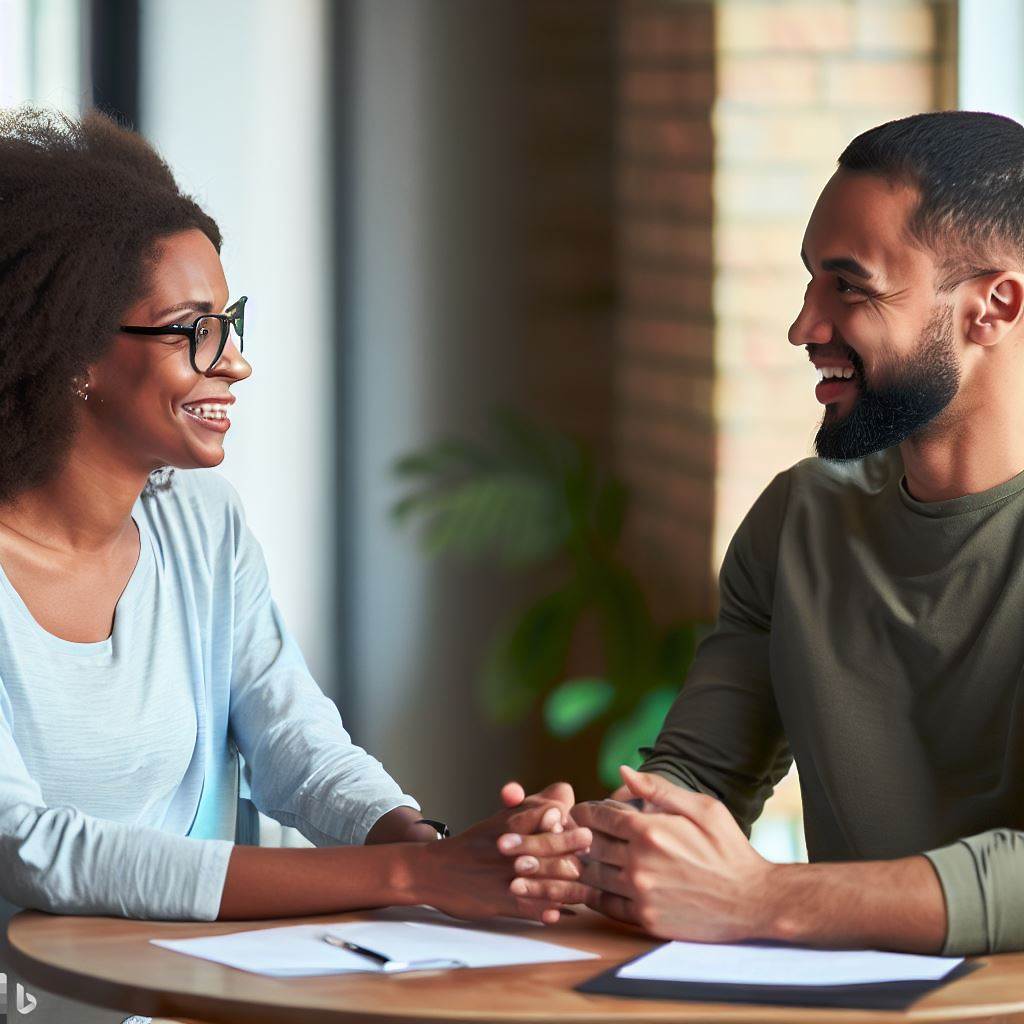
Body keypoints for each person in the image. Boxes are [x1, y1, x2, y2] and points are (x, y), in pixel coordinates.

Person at [0, 107, 588, 1023]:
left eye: (230, 322)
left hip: (186, 997)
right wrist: (412, 872)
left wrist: (434, 844)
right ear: (73, 349)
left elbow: (296, 745)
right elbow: (29, 848)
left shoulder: (203, 523)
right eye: (193, 329)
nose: (234, 362)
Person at [502, 110, 1024, 958]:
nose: (805, 327)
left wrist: (764, 897)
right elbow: (698, 778)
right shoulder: (799, 518)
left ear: (992, 307)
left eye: (848, 287)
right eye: (811, 282)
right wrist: (593, 844)